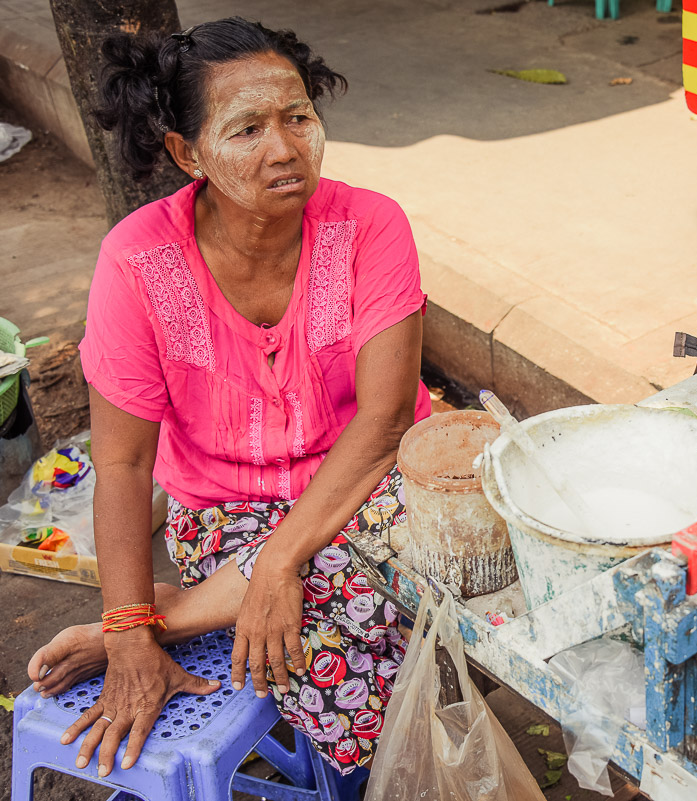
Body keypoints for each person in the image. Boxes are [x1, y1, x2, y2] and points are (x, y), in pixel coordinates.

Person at [25, 17, 430, 779]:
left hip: (370, 486)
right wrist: (127, 639)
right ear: (187, 153)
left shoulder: (371, 226)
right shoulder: (138, 261)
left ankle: (183, 609)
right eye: (246, 129)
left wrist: (169, 611)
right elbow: (119, 463)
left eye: (298, 117)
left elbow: (384, 425)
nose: (285, 148)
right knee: (350, 624)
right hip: (225, 512)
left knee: (389, 581)